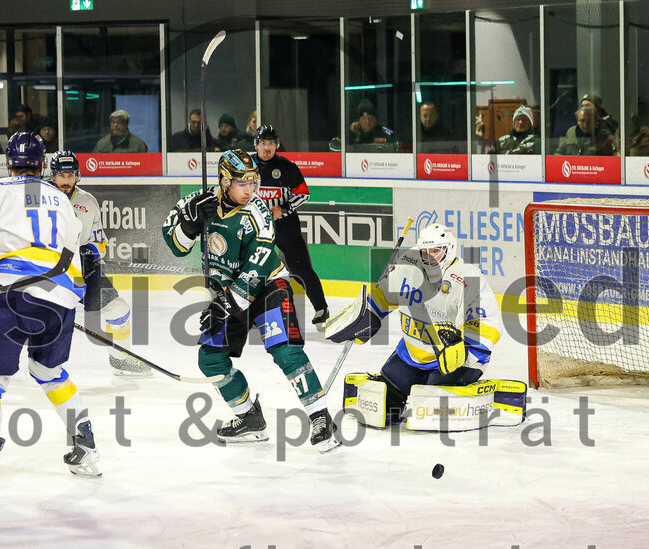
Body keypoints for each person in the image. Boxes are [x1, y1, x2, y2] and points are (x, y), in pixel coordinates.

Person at [0, 131, 100, 495]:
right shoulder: (60, 198)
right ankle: (86, 446)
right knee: (48, 370)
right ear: (42, 165)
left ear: (7, 162)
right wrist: (62, 299)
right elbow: (72, 254)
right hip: (61, 296)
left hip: (13, 296)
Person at [161, 149, 340, 452]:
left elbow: (255, 271)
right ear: (224, 180)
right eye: (242, 184)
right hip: (228, 294)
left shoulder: (259, 213)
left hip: (268, 286)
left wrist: (224, 306)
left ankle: (320, 417)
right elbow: (176, 244)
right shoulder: (199, 201)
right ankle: (249, 418)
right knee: (210, 359)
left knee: (284, 350)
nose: (250, 191)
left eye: (253, 184)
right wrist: (189, 225)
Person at [0, 151, 151, 378]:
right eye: (62, 175)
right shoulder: (32, 193)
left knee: (119, 310)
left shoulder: (88, 202)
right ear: (52, 174)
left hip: (79, 270)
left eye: (71, 176)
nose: (66, 181)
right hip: (37, 266)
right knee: (10, 311)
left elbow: (99, 240)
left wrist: (88, 252)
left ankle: (121, 359)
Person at [326, 223, 502, 425]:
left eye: (436, 251)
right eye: (425, 251)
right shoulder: (407, 269)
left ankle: (454, 390)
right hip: (411, 355)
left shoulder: (467, 278)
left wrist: (463, 351)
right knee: (382, 405)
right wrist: (365, 316)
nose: (430, 257)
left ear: (449, 249)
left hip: (453, 361)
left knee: (430, 408)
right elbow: (382, 296)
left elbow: (486, 324)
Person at [252, 125, 329, 326]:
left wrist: (283, 207)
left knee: (300, 268)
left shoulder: (287, 167)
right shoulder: (247, 166)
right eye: (263, 143)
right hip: (256, 227)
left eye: (271, 143)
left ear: (277, 145)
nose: (267, 148)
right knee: (252, 269)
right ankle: (251, 312)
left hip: (286, 226)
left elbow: (303, 194)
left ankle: (322, 309)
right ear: (256, 145)